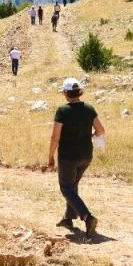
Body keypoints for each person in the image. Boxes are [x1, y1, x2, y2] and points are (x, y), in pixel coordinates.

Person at [47, 77, 105, 239]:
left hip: (68, 157)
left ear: (65, 93)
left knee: (66, 188)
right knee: (73, 186)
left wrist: (50, 156)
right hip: (86, 155)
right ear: (80, 92)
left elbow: (55, 137)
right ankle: (68, 219)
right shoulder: (89, 108)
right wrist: (90, 136)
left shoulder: (62, 111)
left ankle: (87, 217)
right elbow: (101, 131)